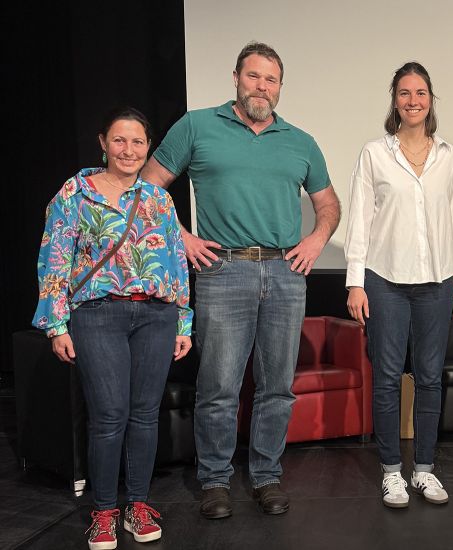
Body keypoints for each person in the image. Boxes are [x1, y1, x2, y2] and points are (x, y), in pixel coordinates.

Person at [141, 42, 341, 519]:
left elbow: (328, 204)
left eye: (271, 80)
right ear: (236, 78)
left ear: (279, 87)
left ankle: (267, 477)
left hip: (285, 273)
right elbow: (147, 188)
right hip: (222, 269)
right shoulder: (198, 125)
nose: (262, 87)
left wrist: (315, 239)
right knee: (219, 386)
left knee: (277, 387)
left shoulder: (300, 140)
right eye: (254, 76)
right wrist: (182, 238)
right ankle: (214, 481)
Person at [32, 107, 192, 549]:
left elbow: (176, 263)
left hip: (156, 316)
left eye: (138, 142)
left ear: (147, 148)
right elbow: (54, 259)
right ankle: (103, 512)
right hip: (97, 314)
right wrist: (56, 324)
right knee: (108, 416)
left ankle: (136, 505)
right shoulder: (74, 194)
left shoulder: (159, 199)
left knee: (144, 416)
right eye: (120, 141)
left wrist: (184, 319)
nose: (129, 150)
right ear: (103, 142)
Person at [344, 61, 453, 509]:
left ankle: (424, 470)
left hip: (438, 282)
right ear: (394, 100)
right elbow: (359, 219)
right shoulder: (375, 154)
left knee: (431, 378)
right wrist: (355, 283)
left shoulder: (449, 157)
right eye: (404, 92)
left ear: (431, 100)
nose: (413, 100)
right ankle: (391, 472)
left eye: (420, 93)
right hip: (384, 281)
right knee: (385, 378)